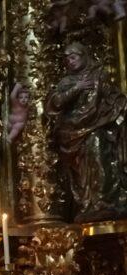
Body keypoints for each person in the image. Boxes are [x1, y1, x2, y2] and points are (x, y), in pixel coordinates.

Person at [45, 42, 127, 222]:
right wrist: (78, 88)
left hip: (97, 127)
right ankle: (88, 203)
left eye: (73, 57)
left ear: (84, 56)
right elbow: (56, 103)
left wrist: (118, 111)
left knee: (100, 159)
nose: (70, 61)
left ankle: (103, 203)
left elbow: (112, 98)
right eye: (66, 59)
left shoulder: (99, 75)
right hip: (72, 132)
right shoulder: (66, 81)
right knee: (82, 171)